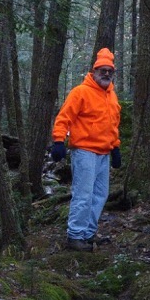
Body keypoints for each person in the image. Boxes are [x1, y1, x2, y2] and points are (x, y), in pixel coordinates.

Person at [50, 47, 122, 251]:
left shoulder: (112, 96)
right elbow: (64, 118)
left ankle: (88, 234)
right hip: (84, 151)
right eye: (102, 70)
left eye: (109, 70)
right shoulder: (80, 92)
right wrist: (58, 141)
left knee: (101, 194)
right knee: (83, 194)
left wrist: (116, 148)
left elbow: (113, 124)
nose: (106, 74)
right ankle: (74, 236)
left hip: (104, 153)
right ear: (94, 71)